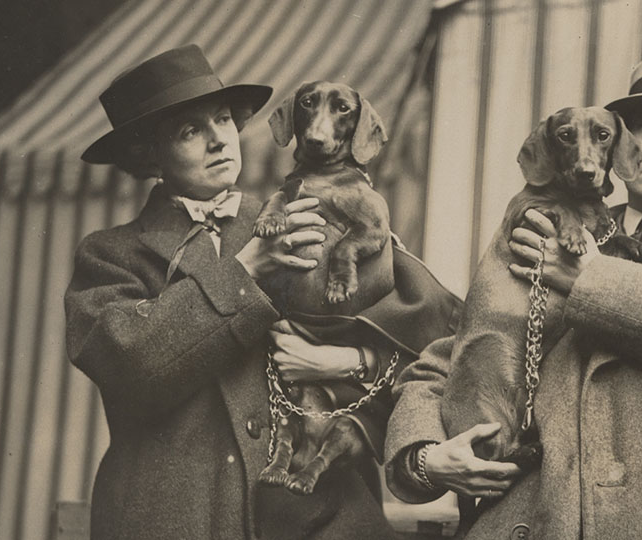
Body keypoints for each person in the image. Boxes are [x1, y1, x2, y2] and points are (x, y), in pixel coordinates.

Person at [384, 52, 642, 539]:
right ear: (619, 146)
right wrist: (427, 457)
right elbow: (455, 355)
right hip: (544, 518)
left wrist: (590, 280)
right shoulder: (545, 227)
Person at [66, 44, 426, 540]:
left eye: (223, 119)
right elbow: (132, 368)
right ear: (148, 155)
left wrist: (348, 362)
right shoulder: (111, 255)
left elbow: (417, 340)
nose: (219, 140)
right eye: (190, 131)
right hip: (180, 519)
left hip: (316, 516)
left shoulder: (304, 215)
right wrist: (244, 271)